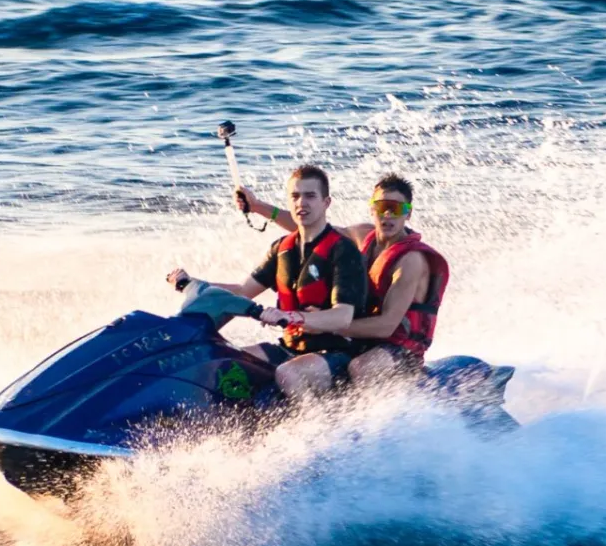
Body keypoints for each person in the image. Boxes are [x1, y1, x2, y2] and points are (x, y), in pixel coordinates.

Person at [168, 164, 367, 399]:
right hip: (289, 347)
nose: (301, 203)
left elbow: (342, 316)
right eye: (295, 196)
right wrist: (194, 284)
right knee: (221, 361)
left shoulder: (343, 251)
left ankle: (318, 431)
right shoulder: (282, 249)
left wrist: (293, 317)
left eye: (310, 196)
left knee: (288, 373)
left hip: (335, 353)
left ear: (326, 203)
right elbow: (243, 291)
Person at [235, 172, 449, 385]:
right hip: (361, 337)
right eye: (382, 207)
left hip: (400, 346)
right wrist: (258, 207)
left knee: (361, 368)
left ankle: (368, 418)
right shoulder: (363, 236)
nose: (388, 216)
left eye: (397, 209)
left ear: (408, 214)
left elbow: (386, 327)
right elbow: (310, 228)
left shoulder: (411, 261)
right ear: (372, 209)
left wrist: (324, 323)